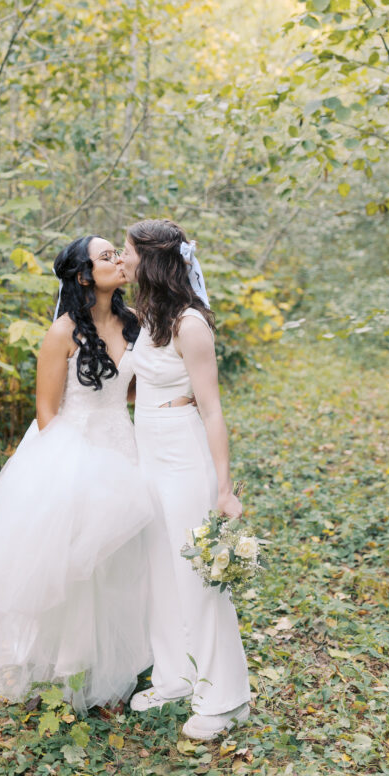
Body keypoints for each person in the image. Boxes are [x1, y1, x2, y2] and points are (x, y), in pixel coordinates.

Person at [0, 236, 153, 711]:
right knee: (73, 569)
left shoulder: (135, 322)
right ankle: (64, 672)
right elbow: (47, 411)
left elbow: (124, 390)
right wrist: (77, 472)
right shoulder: (62, 332)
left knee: (118, 563)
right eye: (106, 256)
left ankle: (113, 673)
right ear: (83, 276)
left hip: (122, 446)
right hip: (71, 454)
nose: (118, 260)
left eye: (117, 253)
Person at [119, 218, 251, 741]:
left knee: (198, 577)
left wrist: (224, 488)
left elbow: (212, 410)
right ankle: (174, 676)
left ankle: (226, 700)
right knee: (159, 570)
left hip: (183, 454)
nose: (122, 258)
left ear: (149, 260)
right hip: (147, 451)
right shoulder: (147, 316)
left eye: (127, 251)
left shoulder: (190, 325)